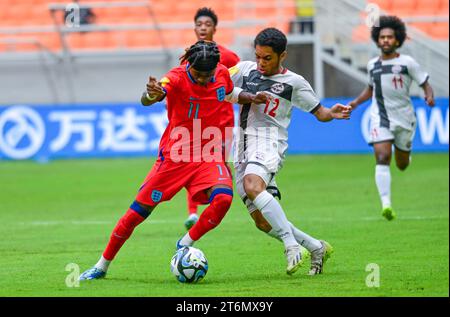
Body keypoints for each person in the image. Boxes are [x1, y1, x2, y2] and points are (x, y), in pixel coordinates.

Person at [78, 41, 268, 280]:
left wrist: (251, 96)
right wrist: (151, 94)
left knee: (223, 199)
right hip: (175, 157)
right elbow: (150, 97)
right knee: (136, 214)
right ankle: (102, 265)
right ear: (189, 65)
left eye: (207, 75)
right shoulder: (175, 78)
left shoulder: (219, 73)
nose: (202, 80)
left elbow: (229, 92)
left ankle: (184, 245)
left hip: (208, 153)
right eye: (198, 75)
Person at [230, 28, 352, 275]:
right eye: (258, 57)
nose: (261, 63)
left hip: (269, 142)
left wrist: (332, 113)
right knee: (262, 222)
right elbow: (219, 85)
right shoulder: (244, 70)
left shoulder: (294, 83)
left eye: (267, 58)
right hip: (241, 146)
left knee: (254, 186)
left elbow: (319, 112)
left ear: (282, 55)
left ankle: (291, 246)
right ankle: (315, 246)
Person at [348, 16, 435, 221]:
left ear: (398, 40)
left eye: (390, 37)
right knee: (382, 156)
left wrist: (429, 95)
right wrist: (356, 103)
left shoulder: (407, 63)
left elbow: (424, 83)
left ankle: (405, 153)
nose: (386, 40)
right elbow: (371, 88)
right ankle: (386, 204)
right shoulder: (372, 65)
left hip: (404, 118)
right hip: (381, 117)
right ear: (377, 40)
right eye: (382, 37)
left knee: (402, 164)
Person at [183, 7, 241, 230]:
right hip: (197, 123)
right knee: (191, 164)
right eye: (199, 24)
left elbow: (238, 83)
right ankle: (193, 213)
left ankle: (216, 203)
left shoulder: (227, 56)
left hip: (223, 123)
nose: (203, 28)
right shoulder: (190, 55)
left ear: (215, 28)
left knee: (218, 165)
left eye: (207, 24)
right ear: (195, 28)